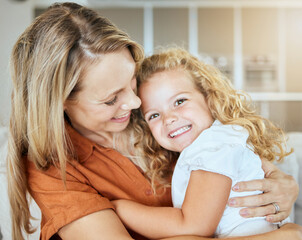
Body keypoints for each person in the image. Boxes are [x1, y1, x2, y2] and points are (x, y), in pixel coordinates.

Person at [6, 2, 300, 240]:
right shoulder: (53, 168)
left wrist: (285, 185)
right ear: (60, 102)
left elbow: (257, 168)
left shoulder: (165, 112)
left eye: (131, 82)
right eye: (111, 99)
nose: (135, 104)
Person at [111, 47, 293, 238]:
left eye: (179, 101)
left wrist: (118, 207)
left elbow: (192, 226)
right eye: (154, 115)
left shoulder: (213, 147)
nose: (169, 119)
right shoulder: (219, 141)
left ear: (209, 98)